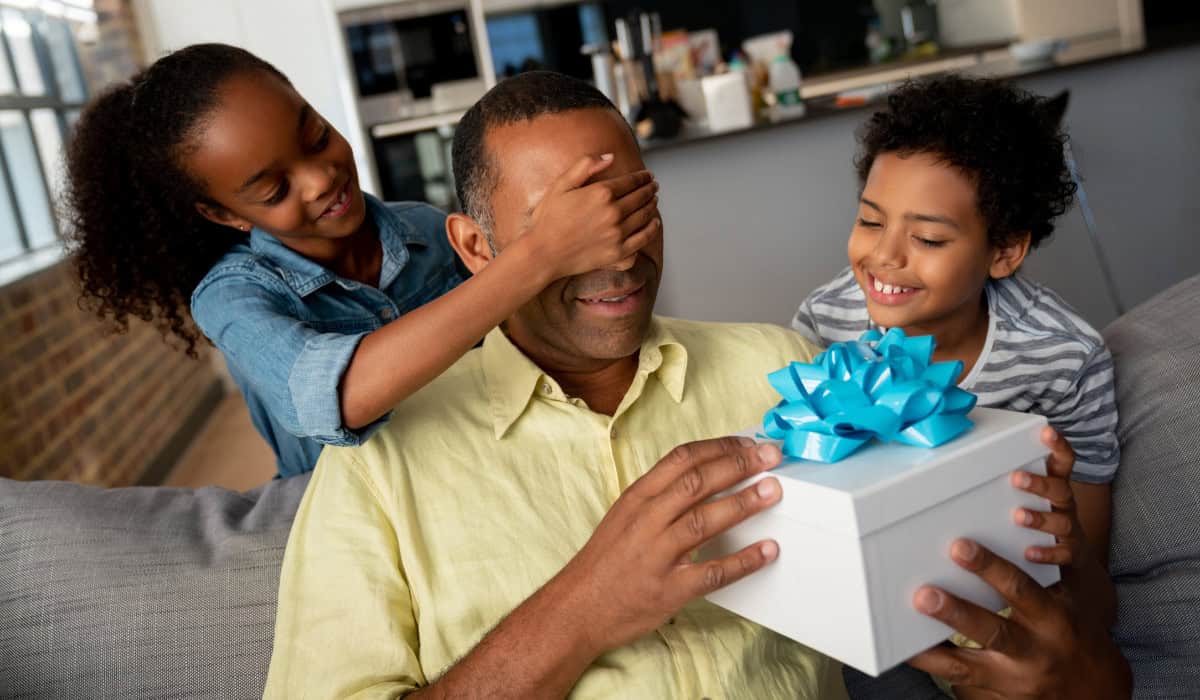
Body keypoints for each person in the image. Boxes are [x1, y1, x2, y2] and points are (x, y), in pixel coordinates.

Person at [264, 72, 1105, 699]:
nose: (620, 254)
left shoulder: (788, 370)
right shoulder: (375, 465)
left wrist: (1012, 527)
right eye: (563, 231)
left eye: (631, 208)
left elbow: (949, 593)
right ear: (478, 250)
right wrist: (582, 609)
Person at [63, 44, 660, 477]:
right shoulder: (232, 299)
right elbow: (337, 396)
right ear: (225, 215)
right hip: (349, 515)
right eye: (274, 190)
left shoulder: (429, 231)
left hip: (474, 474)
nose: (321, 179)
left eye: (316, 136)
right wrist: (541, 252)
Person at [791, 76, 1119, 628]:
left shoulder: (1064, 359)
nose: (884, 256)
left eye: (929, 239)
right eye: (870, 220)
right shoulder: (825, 324)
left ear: (1005, 251)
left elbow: (1086, 564)